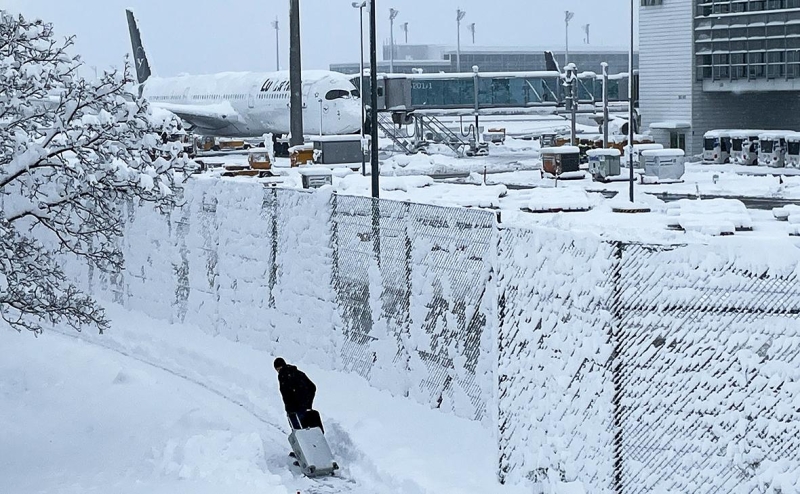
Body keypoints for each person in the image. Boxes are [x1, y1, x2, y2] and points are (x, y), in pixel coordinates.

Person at [273, 357, 318, 430]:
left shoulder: (283, 375)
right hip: (305, 406)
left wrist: (290, 407)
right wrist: (308, 403)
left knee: (298, 430)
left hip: (294, 409)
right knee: (307, 428)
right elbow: (312, 387)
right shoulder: (298, 373)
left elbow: (286, 394)